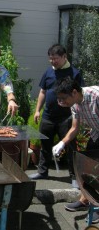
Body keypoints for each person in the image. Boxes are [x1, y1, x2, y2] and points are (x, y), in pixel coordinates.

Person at [28, 44, 85, 189]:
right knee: (45, 145)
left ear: (64, 57)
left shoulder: (74, 73)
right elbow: (42, 92)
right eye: (51, 59)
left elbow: (80, 93)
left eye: (56, 59)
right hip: (48, 115)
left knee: (70, 147)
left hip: (66, 117)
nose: (53, 62)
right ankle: (42, 172)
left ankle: (74, 176)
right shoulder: (48, 72)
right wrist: (37, 110)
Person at [53, 77, 99, 223]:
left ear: (74, 92)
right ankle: (85, 200)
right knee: (88, 167)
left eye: (63, 98)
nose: (61, 102)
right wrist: (62, 143)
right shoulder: (75, 103)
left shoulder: (96, 96)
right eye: (59, 99)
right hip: (97, 134)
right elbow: (74, 128)